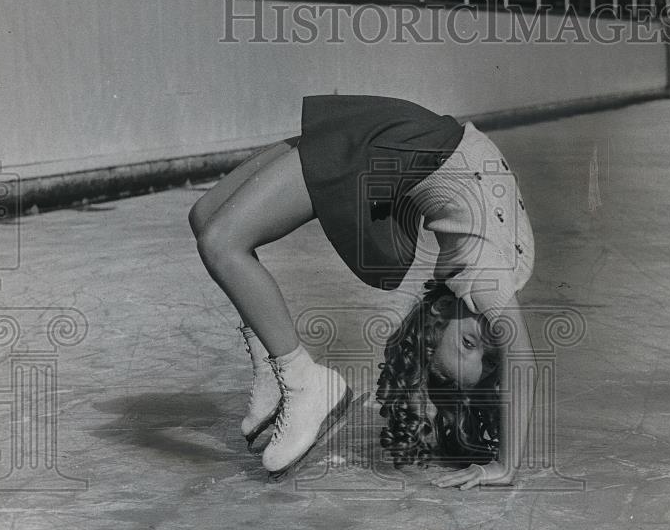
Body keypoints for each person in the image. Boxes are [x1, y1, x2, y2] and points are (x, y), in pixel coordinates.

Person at [188, 95, 536, 486]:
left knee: (209, 221)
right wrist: (505, 465)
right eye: (477, 347)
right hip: (406, 143)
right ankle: (301, 380)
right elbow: (523, 359)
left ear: (432, 331)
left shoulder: (490, 272)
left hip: (408, 134)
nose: (491, 335)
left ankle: (281, 369)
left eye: (472, 347)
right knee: (220, 240)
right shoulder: (490, 282)